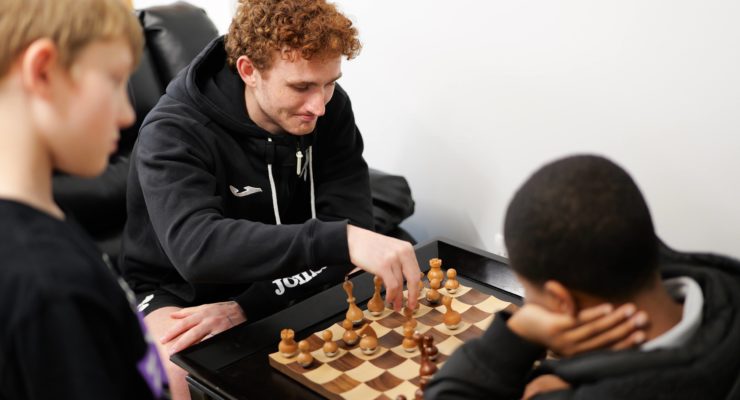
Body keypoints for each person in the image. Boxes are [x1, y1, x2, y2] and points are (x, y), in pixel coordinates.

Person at [118, 0, 422, 397]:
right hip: (182, 288)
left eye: (330, 82)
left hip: (286, 269)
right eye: (301, 87)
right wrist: (341, 241)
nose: (319, 105)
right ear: (249, 71)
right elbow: (197, 249)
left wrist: (250, 305)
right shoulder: (173, 131)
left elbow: (353, 223)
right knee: (176, 368)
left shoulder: (329, 108)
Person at [425, 155, 740, 399]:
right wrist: (582, 372)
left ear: (560, 300)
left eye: (529, 296)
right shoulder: (724, 282)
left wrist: (520, 333)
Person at [0, 0, 168, 398]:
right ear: (43, 71)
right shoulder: (49, 285)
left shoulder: (43, 229)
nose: (128, 115)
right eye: (113, 81)